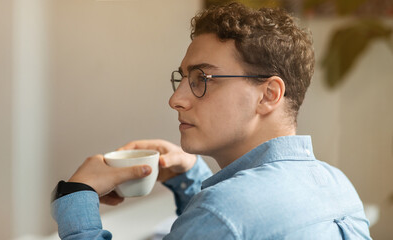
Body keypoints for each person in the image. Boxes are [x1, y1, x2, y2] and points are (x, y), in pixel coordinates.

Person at [51, 2, 371, 239]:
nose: (176, 99)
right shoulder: (338, 185)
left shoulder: (221, 213)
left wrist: (76, 195)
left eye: (202, 78)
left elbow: (227, 220)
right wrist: (190, 176)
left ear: (268, 94)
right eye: (183, 77)